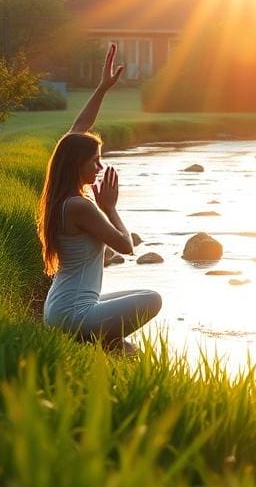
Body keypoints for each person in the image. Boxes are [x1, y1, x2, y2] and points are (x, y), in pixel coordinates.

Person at [37, 42, 162, 351]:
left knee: (135, 294)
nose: (100, 166)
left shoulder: (60, 196)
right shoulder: (80, 206)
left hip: (60, 309)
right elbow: (126, 246)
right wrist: (111, 208)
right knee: (153, 299)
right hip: (73, 316)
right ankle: (106, 345)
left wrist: (103, 88)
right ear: (77, 164)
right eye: (95, 160)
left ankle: (106, 341)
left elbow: (78, 130)